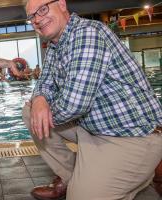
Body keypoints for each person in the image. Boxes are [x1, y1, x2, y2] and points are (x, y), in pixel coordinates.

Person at [23, 0, 162, 200]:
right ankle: (72, 177)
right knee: (31, 112)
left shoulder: (87, 34)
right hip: (95, 129)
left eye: (42, 9)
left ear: (61, 4)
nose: (37, 19)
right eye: (32, 16)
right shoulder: (56, 44)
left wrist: (42, 104)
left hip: (133, 137)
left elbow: (74, 105)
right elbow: (44, 82)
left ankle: (131, 173)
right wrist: (39, 100)